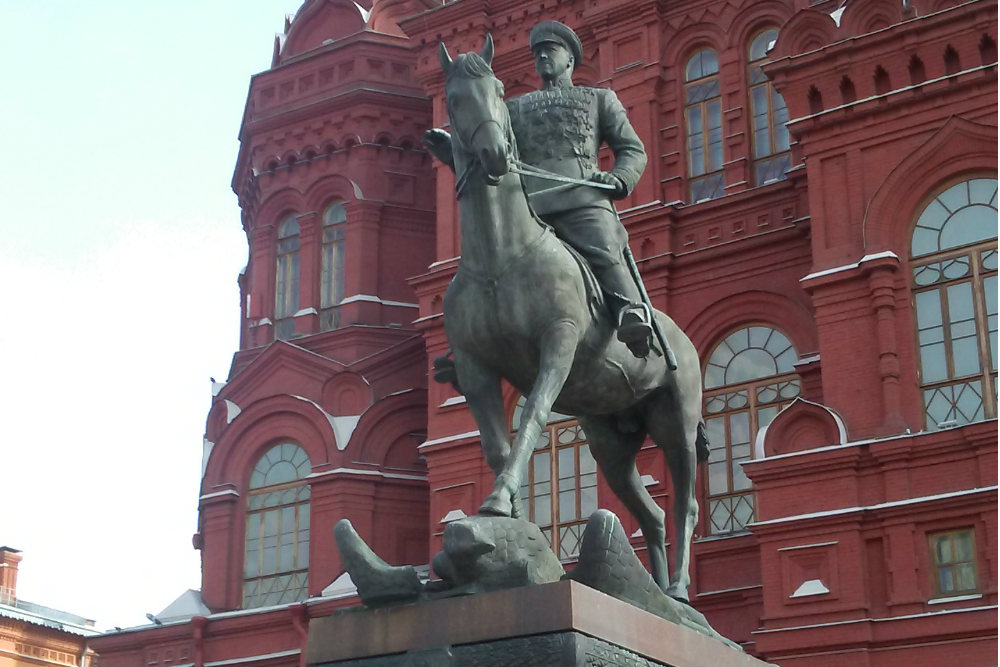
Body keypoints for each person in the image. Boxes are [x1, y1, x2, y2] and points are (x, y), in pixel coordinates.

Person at [510, 20, 651, 357]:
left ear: (570, 60)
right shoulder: (513, 108)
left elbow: (633, 150)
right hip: (528, 208)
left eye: (550, 50)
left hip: (581, 196)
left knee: (603, 246)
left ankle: (630, 310)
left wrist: (618, 178)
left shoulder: (599, 99)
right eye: (537, 52)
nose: (542, 56)